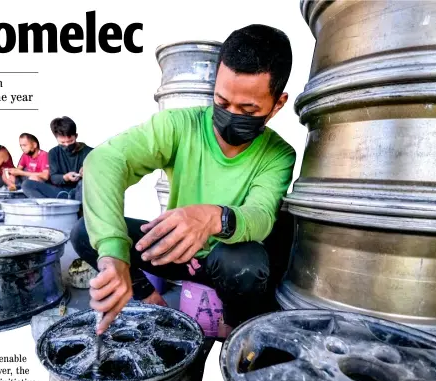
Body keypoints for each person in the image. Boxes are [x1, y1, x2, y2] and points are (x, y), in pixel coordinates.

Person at [72, 24, 296, 335]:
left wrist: (213, 217)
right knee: (86, 233)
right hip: (174, 253)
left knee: (248, 263)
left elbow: (261, 214)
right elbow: (105, 161)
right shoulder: (180, 126)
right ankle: (150, 298)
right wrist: (113, 254)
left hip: (224, 263)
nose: (230, 115)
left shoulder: (278, 154)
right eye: (221, 102)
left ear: (278, 103)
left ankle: (231, 327)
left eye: (248, 109)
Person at [22, 117, 91, 201]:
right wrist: (65, 177)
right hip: (60, 193)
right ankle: (51, 207)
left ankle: (76, 208)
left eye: (70, 141)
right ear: (56, 139)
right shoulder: (53, 153)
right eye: (62, 142)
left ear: (76, 136)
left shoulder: (90, 152)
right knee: (27, 185)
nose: (66, 145)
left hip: (81, 192)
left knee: (83, 184)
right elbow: (54, 178)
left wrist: (88, 172)